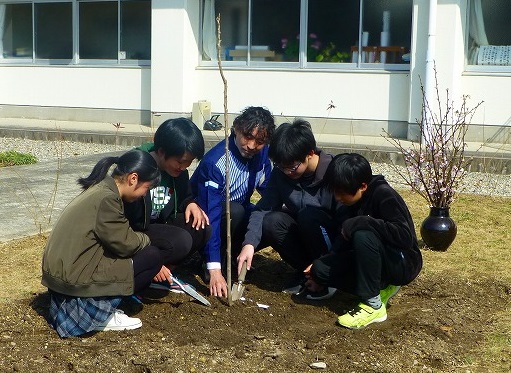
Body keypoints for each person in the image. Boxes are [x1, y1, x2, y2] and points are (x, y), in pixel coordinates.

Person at [42, 150, 188, 337]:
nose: (145, 196)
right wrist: (146, 239)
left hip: (63, 274)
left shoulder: (100, 189)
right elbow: (125, 244)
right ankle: (102, 314)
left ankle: (105, 305)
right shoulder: (108, 199)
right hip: (73, 280)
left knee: (144, 254)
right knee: (152, 256)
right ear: (133, 179)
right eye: (147, 189)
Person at [305, 153, 423, 329]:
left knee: (363, 233)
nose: (337, 197)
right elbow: (343, 237)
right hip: (370, 259)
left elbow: (404, 236)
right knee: (321, 270)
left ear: (363, 186)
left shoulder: (384, 195)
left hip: (402, 262)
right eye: (335, 191)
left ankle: (373, 306)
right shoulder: (349, 202)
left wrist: (364, 222)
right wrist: (322, 266)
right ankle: (382, 286)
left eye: (341, 193)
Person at [237, 119, 341, 296]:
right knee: (272, 221)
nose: (286, 172)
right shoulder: (282, 173)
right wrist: (249, 244)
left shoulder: (334, 173)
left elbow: (346, 221)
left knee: (309, 216)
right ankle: (305, 273)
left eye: (292, 167)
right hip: (306, 234)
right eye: (281, 167)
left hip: (333, 244)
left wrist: (329, 262)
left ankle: (327, 278)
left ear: (310, 153)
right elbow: (263, 209)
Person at [190, 106, 275, 297]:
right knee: (234, 211)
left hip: (237, 214)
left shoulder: (262, 154)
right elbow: (210, 213)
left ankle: (237, 257)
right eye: (247, 136)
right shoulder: (216, 163)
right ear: (236, 128)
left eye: (260, 141)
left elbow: (269, 191)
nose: (252, 146)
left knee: (270, 218)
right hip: (207, 219)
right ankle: (212, 259)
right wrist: (215, 269)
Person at [124, 118, 211, 285]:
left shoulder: (179, 173)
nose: (184, 167)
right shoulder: (137, 168)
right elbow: (121, 220)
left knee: (201, 227)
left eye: (189, 163)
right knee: (181, 240)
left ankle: (165, 269)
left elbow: (184, 197)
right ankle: (144, 267)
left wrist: (190, 203)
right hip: (134, 231)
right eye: (180, 162)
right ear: (162, 152)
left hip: (159, 226)